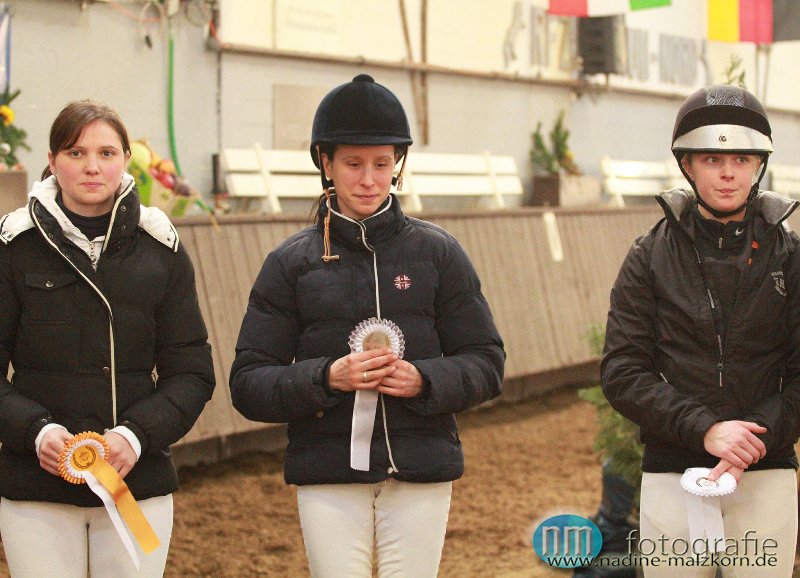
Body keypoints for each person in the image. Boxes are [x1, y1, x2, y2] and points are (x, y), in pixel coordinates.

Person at [229, 74, 505, 578]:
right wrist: (325, 377)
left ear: (398, 163)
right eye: (353, 164)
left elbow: (487, 363)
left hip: (421, 468)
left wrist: (426, 380)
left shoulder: (439, 253)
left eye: (382, 164)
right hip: (329, 473)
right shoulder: (290, 263)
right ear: (326, 163)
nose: (369, 180)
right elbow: (248, 383)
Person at [0, 100, 215, 577]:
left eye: (106, 153)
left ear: (126, 160)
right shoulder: (14, 247)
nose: (92, 167)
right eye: (75, 153)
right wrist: (36, 432)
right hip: (35, 491)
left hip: (137, 485)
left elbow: (192, 373)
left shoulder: (161, 249)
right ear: (52, 160)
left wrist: (135, 437)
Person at [602, 84, 800, 577]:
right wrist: (705, 429)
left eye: (741, 159)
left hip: (765, 475)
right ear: (687, 165)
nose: (728, 173)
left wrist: (756, 437)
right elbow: (623, 370)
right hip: (674, 472)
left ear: (758, 166)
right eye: (712, 159)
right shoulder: (648, 256)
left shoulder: (792, 258)